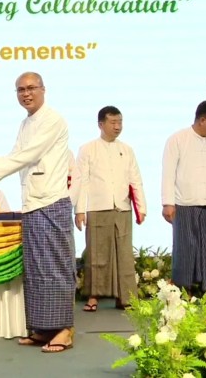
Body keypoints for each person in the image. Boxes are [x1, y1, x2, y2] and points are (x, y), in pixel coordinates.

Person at [0, 72, 76, 354]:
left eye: (31, 88)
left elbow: (29, 155)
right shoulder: (26, 123)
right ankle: (43, 327)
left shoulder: (53, 119)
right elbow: (17, 154)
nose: (26, 94)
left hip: (51, 201)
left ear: (43, 89)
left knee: (56, 267)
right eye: (20, 90)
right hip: (32, 203)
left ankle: (64, 330)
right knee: (37, 269)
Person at [74, 106, 146, 312]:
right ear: (101, 124)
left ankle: (125, 298)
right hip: (97, 207)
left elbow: (135, 179)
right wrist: (79, 210)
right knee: (97, 253)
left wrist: (141, 207)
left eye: (120, 122)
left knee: (124, 254)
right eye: (113, 122)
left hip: (122, 207)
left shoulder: (127, 149)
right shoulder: (88, 149)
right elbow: (81, 181)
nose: (117, 126)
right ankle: (93, 296)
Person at [162, 100, 206, 296]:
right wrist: (167, 203)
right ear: (202, 120)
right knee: (185, 248)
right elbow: (168, 173)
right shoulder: (178, 139)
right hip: (184, 203)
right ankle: (184, 289)